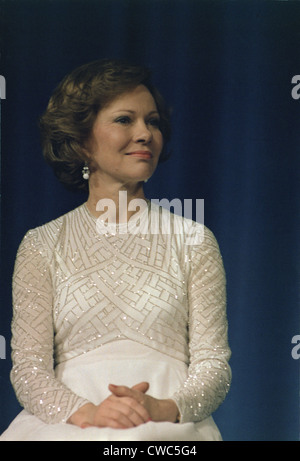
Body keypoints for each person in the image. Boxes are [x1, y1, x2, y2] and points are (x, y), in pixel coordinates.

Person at [1, 59, 231, 441]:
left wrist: (164, 409)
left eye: (153, 121)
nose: (144, 134)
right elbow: (28, 368)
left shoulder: (194, 240)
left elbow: (213, 366)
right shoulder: (42, 245)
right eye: (125, 120)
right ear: (80, 140)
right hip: (68, 424)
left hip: (171, 426)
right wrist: (89, 415)